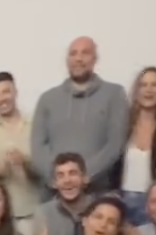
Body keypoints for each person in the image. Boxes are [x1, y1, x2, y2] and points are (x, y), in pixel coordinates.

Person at [32, 37, 129, 192]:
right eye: (73, 53)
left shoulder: (114, 94)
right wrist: (59, 177)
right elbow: (38, 146)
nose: (78, 58)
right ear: (67, 60)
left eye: (85, 53)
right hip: (54, 194)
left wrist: (82, 176)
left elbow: (115, 145)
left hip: (98, 194)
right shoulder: (47, 99)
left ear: (95, 59)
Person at [111, 67, 156, 225]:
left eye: (154, 85)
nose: (149, 90)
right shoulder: (123, 125)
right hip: (122, 200)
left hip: (154, 203)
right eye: (143, 85)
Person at [0, 72, 37, 235]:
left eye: (6, 91)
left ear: (15, 93)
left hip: (32, 212)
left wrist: (25, 161)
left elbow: (49, 167)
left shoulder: (36, 125)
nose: (1, 98)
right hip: (0, 217)